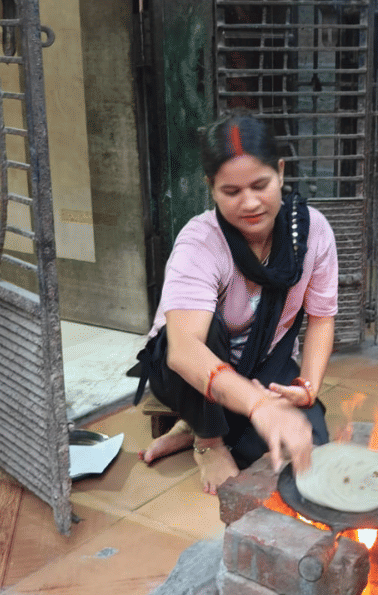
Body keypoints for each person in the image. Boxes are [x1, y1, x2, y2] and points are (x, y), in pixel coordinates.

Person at [132, 112, 338, 493]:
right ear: (211, 187)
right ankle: (207, 439)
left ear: (280, 172)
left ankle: (197, 423)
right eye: (232, 192)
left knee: (308, 440)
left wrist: (307, 388)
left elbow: (322, 319)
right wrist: (259, 406)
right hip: (183, 372)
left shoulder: (313, 233)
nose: (250, 203)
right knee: (206, 333)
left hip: (261, 364)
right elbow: (184, 351)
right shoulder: (200, 242)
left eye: (260, 185)